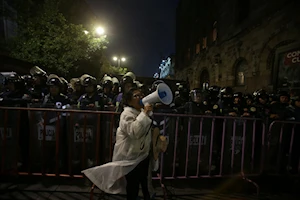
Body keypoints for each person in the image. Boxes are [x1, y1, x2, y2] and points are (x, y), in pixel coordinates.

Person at [82, 87, 153, 200]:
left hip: (142, 155)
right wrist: (144, 113)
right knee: (133, 185)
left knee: (144, 182)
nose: (140, 97)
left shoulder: (141, 112)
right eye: (136, 96)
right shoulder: (126, 114)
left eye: (141, 95)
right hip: (130, 156)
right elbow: (135, 132)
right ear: (129, 101)